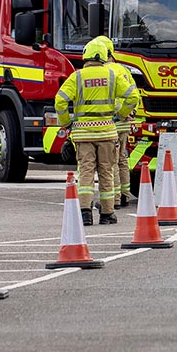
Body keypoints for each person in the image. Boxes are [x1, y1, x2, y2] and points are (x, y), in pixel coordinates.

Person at [55, 40, 137, 226]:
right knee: (106, 172)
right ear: (103, 55)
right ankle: (107, 214)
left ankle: (85, 213)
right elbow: (133, 97)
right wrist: (121, 115)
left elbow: (60, 101)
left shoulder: (77, 77)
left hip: (83, 134)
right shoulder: (112, 75)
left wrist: (67, 123)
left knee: (86, 172)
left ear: (86, 56)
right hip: (107, 132)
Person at [84, 35, 139, 208]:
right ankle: (124, 195)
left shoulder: (106, 71)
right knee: (122, 159)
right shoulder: (123, 69)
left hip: (111, 122)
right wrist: (128, 113)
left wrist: (118, 115)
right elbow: (134, 93)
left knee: (111, 162)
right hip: (125, 120)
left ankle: (113, 199)